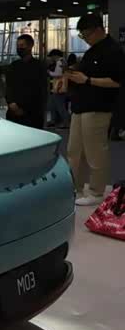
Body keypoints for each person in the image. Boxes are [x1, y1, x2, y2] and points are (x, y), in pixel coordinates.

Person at [65, 14, 124, 206]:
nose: (85, 38)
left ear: (98, 29)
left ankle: (96, 192)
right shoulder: (91, 52)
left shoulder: (113, 51)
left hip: (98, 108)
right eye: (81, 35)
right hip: (80, 106)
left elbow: (117, 82)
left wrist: (88, 80)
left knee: (95, 151)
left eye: (86, 34)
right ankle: (75, 188)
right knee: (74, 151)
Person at [5, 34, 48, 129]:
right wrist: (11, 103)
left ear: (30, 46)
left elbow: (42, 90)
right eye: (18, 46)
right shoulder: (13, 66)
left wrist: (26, 109)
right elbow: (8, 86)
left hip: (33, 114)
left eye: (22, 45)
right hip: (13, 112)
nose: (19, 48)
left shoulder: (39, 66)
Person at [47, 49, 70, 128]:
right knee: (53, 105)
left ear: (55, 56)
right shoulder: (63, 61)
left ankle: (66, 123)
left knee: (60, 106)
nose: (51, 58)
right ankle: (53, 121)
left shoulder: (60, 62)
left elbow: (58, 74)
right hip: (57, 87)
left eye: (51, 56)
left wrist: (49, 72)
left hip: (58, 87)